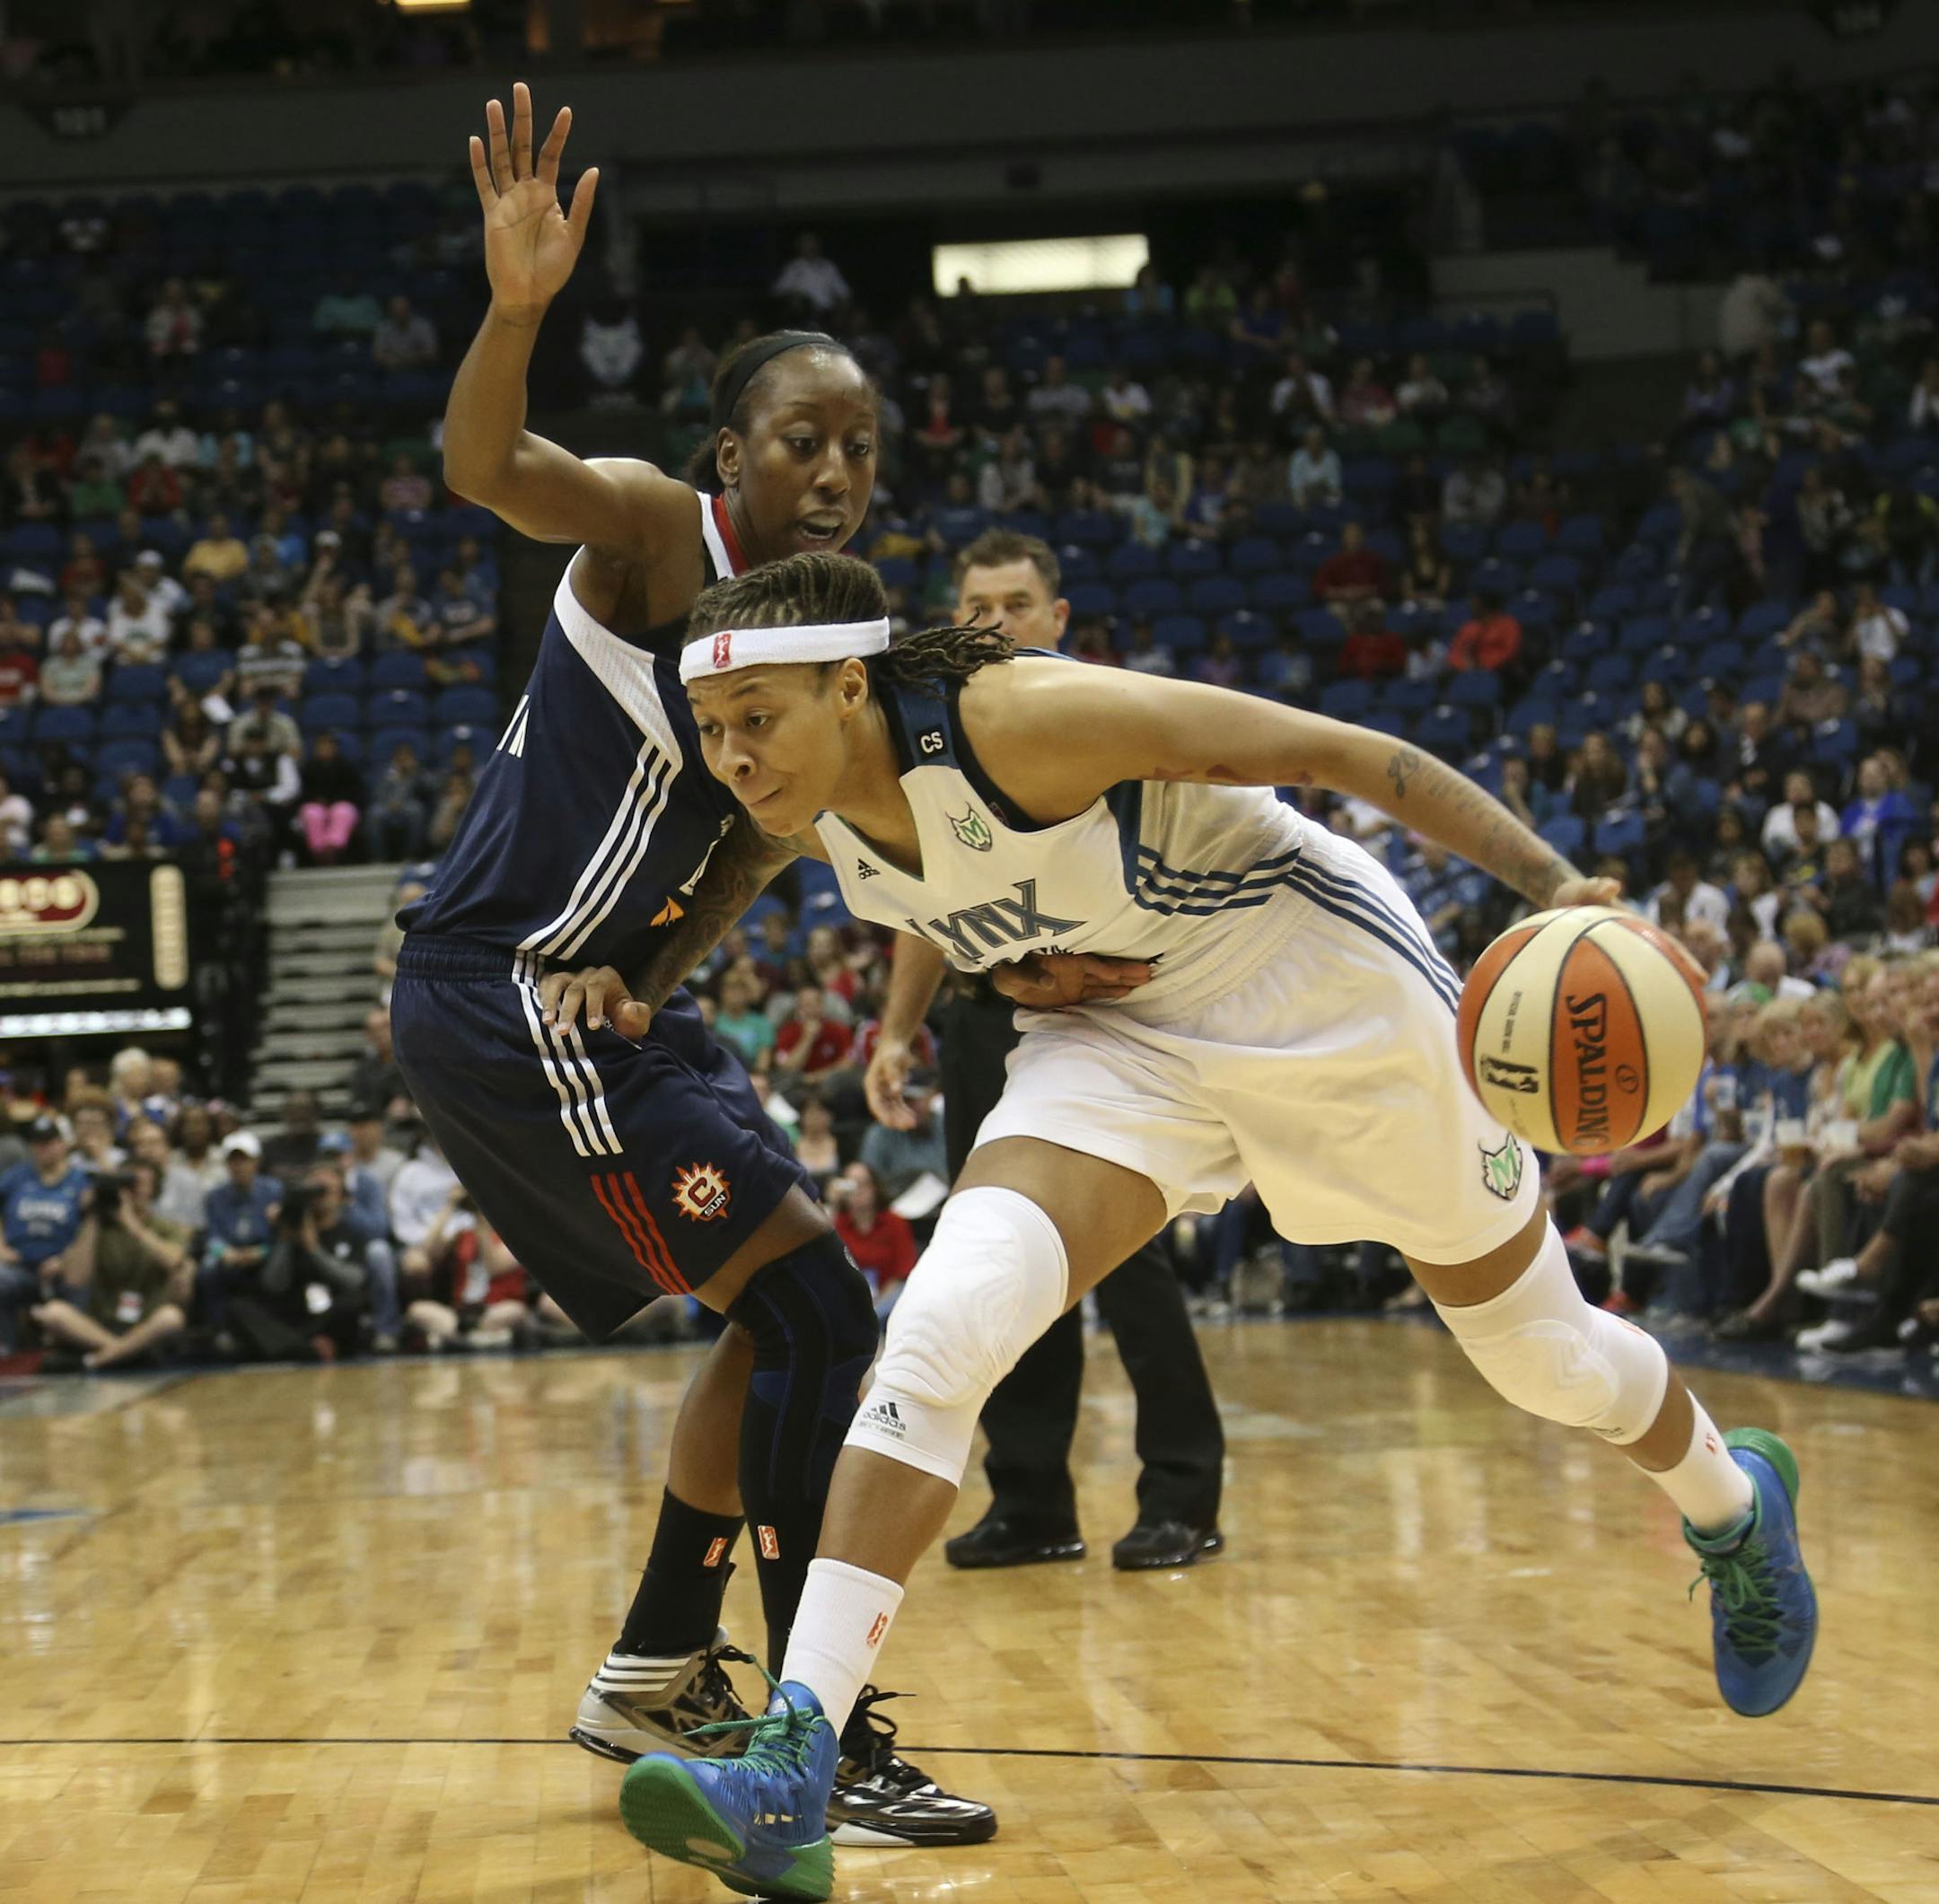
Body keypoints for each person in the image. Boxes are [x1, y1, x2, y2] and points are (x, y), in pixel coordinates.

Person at [601, 551, 1818, 1899]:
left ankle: (1732, 1499)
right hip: (1130, 1040)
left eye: (756, 722)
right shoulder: (804, 793)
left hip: (1323, 992)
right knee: (944, 1321)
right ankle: (792, 1769)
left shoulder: (1025, 719)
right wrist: (641, 975)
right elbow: (753, 867)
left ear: (848, 685)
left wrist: (1559, 886)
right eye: (711, 732)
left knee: (1547, 1362)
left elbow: (1345, 750)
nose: (732, 759)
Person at [390, 83, 991, 1848]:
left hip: (594, 996)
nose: (834, 473)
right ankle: (831, 1727)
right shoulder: (660, 528)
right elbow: (484, 470)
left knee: (787, 1304)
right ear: (730, 451)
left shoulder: (831, 618)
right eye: (804, 440)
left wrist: (664, 973)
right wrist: (516, 310)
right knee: (816, 1309)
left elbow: (756, 838)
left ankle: (661, 1658)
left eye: (862, 453)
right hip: (504, 984)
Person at [31, 1163, 192, 1372]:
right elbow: (75, 1278)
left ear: (154, 1190)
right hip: (101, 1323)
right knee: (54, 1312)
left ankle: (95, 1361)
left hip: (146, 1322)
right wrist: (93, 1216)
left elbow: (173, 1261)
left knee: (171, 1317)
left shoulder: (165, 1227)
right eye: (127, 1185)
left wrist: (131, 1223)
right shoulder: (99, 1228)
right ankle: (125, 1354)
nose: (133, 1192)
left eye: (140, 1185)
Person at [0, 1118, 92, 1353]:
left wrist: (65, 1259)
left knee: (80, 1281)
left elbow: (91, 1226)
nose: (43, 1149)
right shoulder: (17, 1177)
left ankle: (75, 1347)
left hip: (64, 1265)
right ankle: (6, 1349)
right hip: (21, 1265)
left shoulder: (80, 1180)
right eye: (38, 1144)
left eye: (49, 1142)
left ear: (62, 1144)